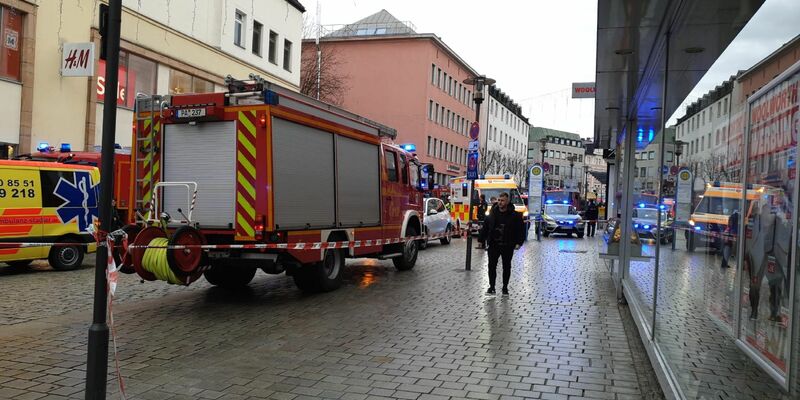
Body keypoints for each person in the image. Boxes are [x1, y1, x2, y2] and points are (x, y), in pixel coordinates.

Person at [478, 192, 526, 295]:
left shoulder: (515, 215)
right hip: (494, 245)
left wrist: (519, 243)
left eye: (502, 200)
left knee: (506, 266)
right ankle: (492, 287)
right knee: (491, 266)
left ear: (507, 201)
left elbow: (520, 230)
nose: (500, 202)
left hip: (508, 245)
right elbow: (486, 228)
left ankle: (505, 287)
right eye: (499, 200)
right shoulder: (492, 213)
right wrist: (481, 240)